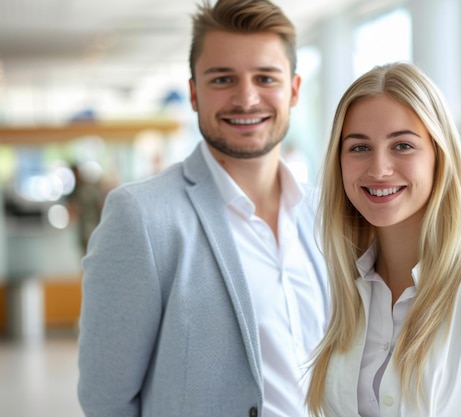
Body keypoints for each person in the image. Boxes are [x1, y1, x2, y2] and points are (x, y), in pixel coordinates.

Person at [77, 1, 329, 416]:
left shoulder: (326, 214)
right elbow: (106, 400)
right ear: (194, 92)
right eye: (223, 79)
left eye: (266, 78)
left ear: (295, 90)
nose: (246, 99)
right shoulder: (142, 217)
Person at [305, 62, 461, 416]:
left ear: (440, 155)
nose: (378, 168)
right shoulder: (343, 288)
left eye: (402, 145)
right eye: (359, 148)